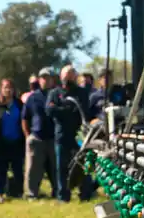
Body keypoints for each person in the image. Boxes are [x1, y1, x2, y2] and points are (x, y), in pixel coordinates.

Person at [46, 64, 94, 202]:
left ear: (75, 76)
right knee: (61, 167)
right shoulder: (54, 93)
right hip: (61, 136)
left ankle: (85, 194)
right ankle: (63, 196)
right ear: (61, 77)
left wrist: (61, 109)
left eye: (71, 74)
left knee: (83, 165)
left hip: (79, 136)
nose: (68, 78)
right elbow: (49, 110)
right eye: (65, 75)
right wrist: (66, 110)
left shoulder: (81, 92)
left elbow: (80, 110)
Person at [23, 67, 58, 199]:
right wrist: (28, 136)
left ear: (52, 80)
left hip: (54, 138)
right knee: (33, 170)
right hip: (37, 138)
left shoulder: (57, 95)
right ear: (39, 80)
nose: (45, 80)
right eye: (43, 78)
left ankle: (57, 192)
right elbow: (25, 118)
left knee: (55, 169)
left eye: (48, 78)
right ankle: (32, 194)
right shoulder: (33, 97)